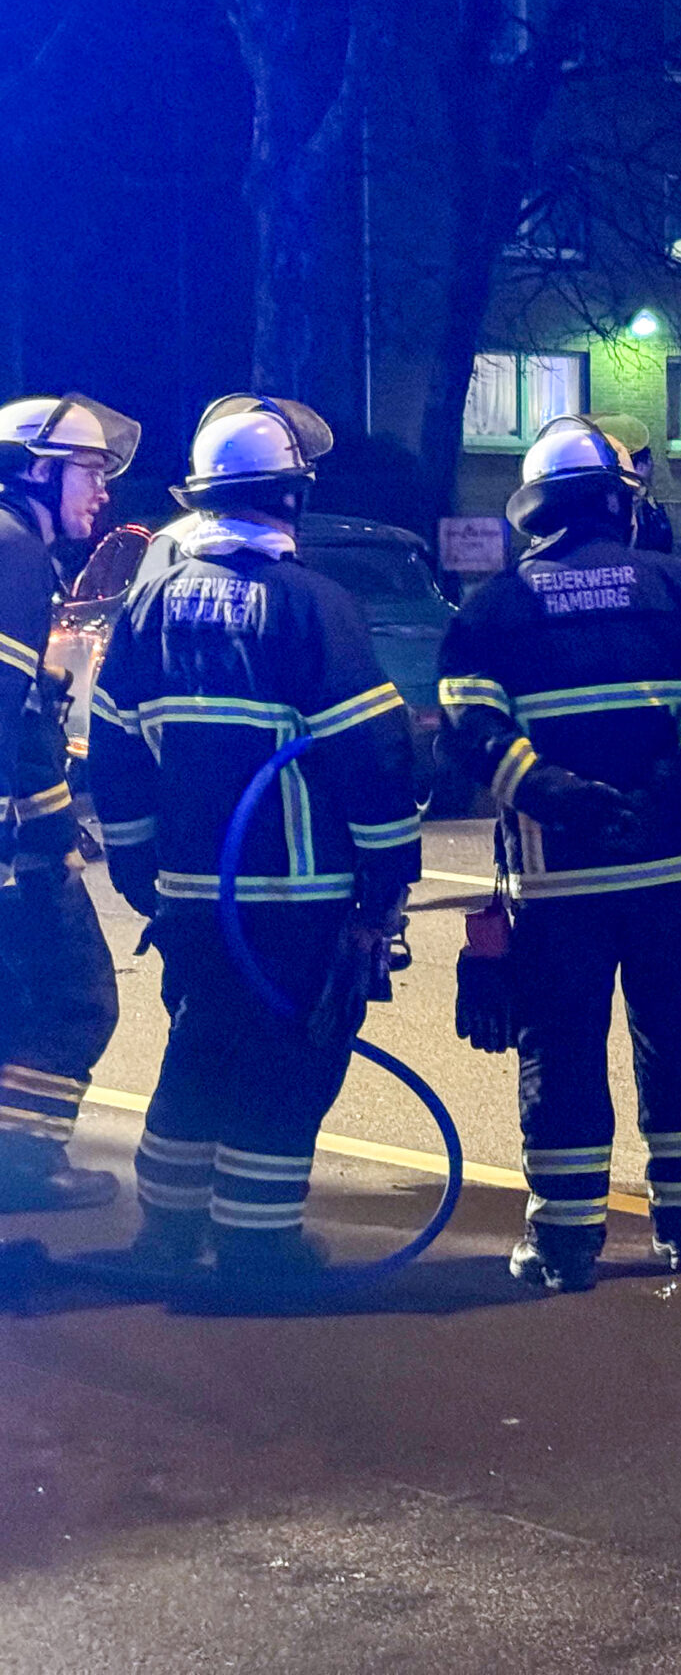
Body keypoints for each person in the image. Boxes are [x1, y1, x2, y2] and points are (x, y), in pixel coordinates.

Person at [89, 397, 419, 1284]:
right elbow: (376, 757)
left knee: (197, 1050)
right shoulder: (312, 605)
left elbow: (114, 749)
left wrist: (138, 872)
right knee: (287, 1066)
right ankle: (257, 1248)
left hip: (192, 900)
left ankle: (165, 1236)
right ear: (290, 498)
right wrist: (389, 880)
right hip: (298, 900)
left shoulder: (150, 603)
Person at [436, 416, 681, 1294]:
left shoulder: (494, 609)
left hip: (556, 881)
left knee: (564, 1052)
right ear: (620, 503)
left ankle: (566, 1246)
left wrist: (555, 797)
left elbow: (470, 733)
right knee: (679, 1041)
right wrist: (663, 798)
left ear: (534, 511)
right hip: (674, 873)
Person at [0, 396, 138, 1212]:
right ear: (39, 469)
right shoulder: (14, 552)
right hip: (14, 851)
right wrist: (47, 840)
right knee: (76, 994)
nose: (101, 492)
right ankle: (26, 1167)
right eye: (89, 470)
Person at [630, 445, 675, 555]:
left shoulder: (648, 497)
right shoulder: (633, 499)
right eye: (649, 461)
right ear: (640, 466)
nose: (652, 465)